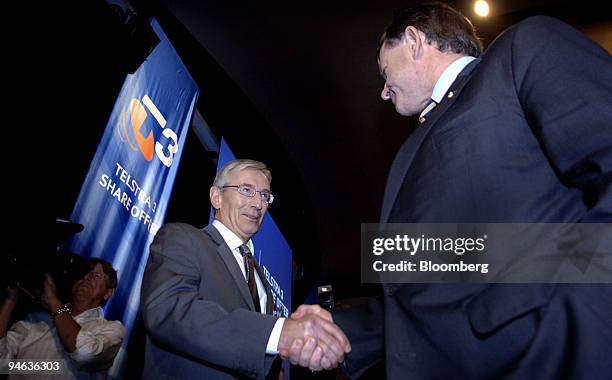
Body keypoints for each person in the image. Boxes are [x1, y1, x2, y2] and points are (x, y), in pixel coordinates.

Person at [288, 2, 612, 379]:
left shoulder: (523, 48)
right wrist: (339, 330)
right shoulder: (415, 146)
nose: (383, 91)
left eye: (383, 70)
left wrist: (574, 334)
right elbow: (430, 284)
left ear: (413, 41)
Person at [140, 159, 351, 379]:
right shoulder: (182, 238)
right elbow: (168, 310)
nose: (258, 204)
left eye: (264, 195)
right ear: (216, 197)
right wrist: (278, 333)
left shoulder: (263, 284)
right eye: (246, 190)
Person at [0, 258, 125, 379]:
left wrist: (54, 305)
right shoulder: (36, 319)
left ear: (109, 292)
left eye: (96, 275)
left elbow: (86, 353)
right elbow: (2, 364)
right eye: (84, 274)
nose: (86, 277)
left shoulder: (112, 329)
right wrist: (11, 299)